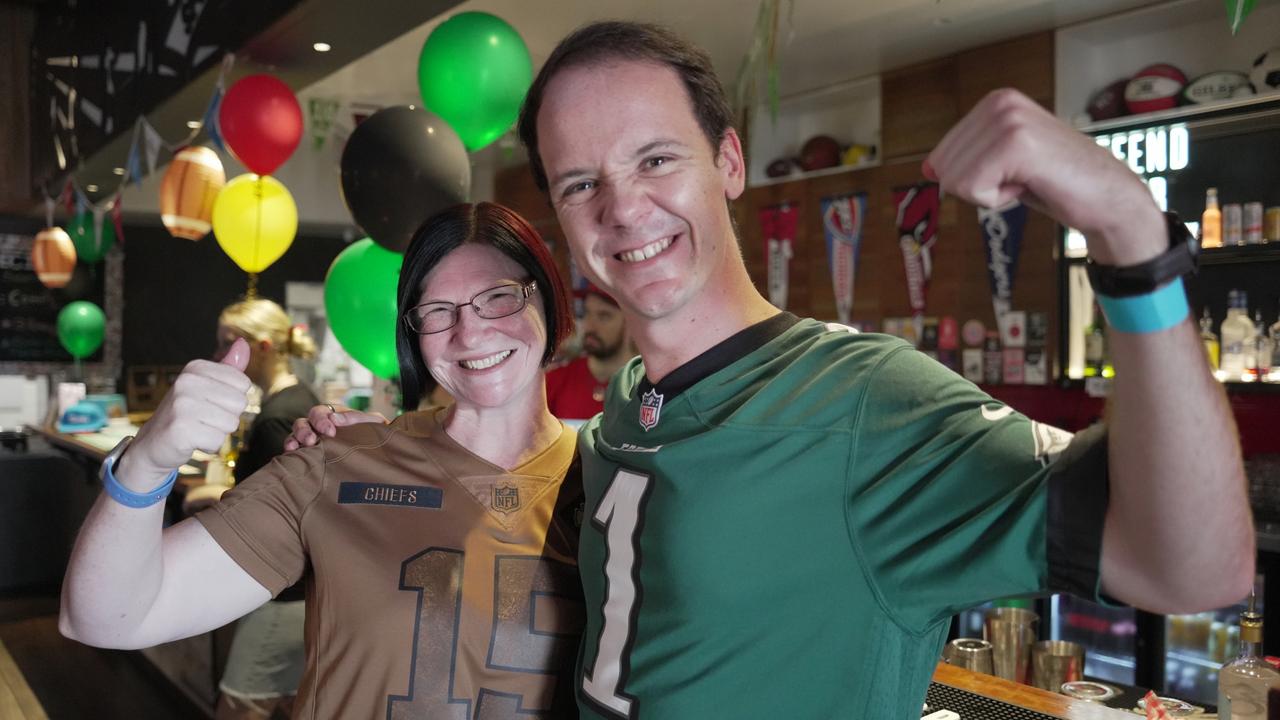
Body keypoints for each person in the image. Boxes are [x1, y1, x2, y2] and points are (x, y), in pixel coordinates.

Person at [294, 21, 1255, 719]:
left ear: (731, 162)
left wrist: (1134, 243)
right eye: (581, 182)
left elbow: (1197, 567)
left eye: (657, 160)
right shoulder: (630, 408)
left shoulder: (869, 401)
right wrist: (380, 447)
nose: (623, 210)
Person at [60, 202, 586, 719]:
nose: (469, 334)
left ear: (547, 296)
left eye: (498, 297)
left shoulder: (612, 475)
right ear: (413, 334)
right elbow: (105, 617)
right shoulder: (338, 466)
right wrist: (148, 462)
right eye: (438, 312)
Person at [210, 298, 320, 719]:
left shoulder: (277, 417)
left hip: (281, 596)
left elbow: (281, 517)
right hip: (294, 593)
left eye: (227, 344)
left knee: (240, 706)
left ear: (262, 346)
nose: (221, 356)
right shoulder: (297, 400)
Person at [545, 285, 629, 419]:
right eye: (586, 313)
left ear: (630, 322)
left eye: (604, 316)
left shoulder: (646, 385)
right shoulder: (554, 381)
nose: (589, 326)